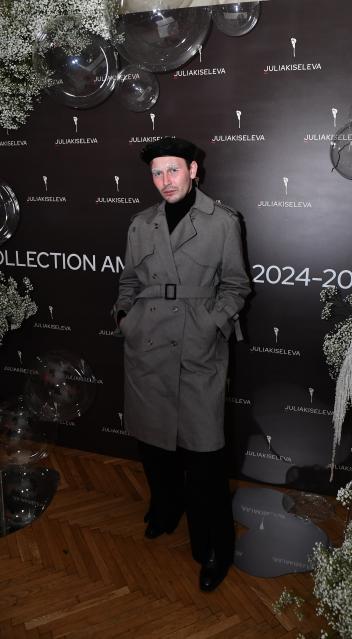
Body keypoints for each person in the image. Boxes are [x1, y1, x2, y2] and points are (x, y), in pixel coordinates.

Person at [113, 137, 250, 591]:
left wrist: (211, 324)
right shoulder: (140, 224)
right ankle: (166, 510)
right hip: (146, 345)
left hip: (197, 348)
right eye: (157, 173)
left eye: (173, 170)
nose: (165, 181)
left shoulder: (222, 221)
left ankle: (214, 547)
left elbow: (236, 286)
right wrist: (124, 317)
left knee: (205, 458)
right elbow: (128, 282)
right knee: (154, 448)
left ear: (193, 170)